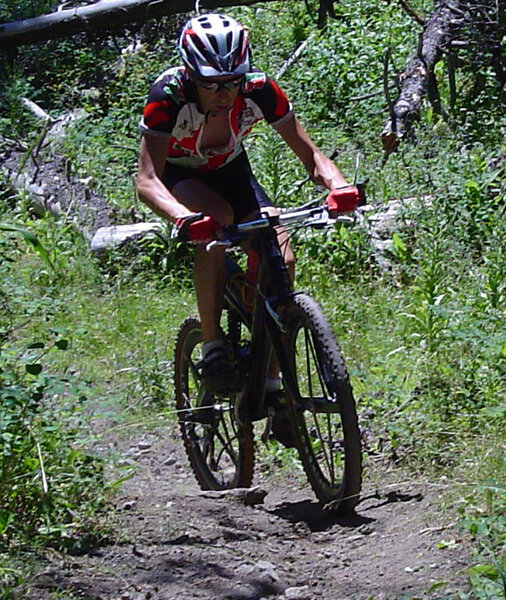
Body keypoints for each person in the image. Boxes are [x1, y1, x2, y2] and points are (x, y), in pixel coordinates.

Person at [137, 12, 360, 397]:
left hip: (231, 170)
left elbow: (311, 156)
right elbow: (147, 180)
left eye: (232, 82)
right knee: (216, 221)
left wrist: (338, 186)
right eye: (212, 85)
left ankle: (272, 384)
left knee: (281, 259)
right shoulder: (168, 97)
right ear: (192, 76)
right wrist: (183, 218)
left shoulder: (259, 90)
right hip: (180, 175)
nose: (225, 94)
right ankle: (212, 348)